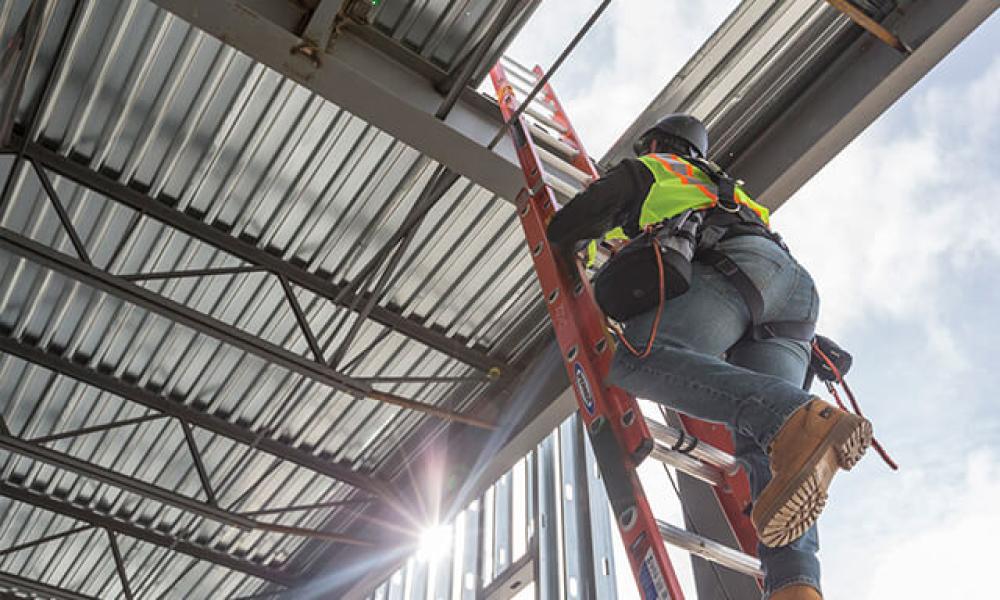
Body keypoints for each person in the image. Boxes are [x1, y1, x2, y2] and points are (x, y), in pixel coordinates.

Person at [546, 114, 873, 600]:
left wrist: (578, 241)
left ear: (659, 143)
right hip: (793, 295)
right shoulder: (734, 193)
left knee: (643, 358)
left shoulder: (663, 168)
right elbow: (765, 265)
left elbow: (573, 220)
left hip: (735, 269)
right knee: (768, 450)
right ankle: (795, 587)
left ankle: (800, 418)